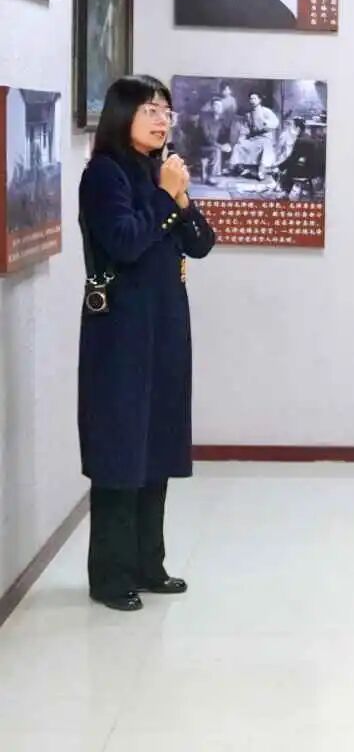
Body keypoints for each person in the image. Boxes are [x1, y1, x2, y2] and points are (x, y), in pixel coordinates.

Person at [78, 75, 217, 612]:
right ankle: (110, 577)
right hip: (120, 332)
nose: (162, 120)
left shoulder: (162, 171)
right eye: (149, 110)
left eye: (166, 111)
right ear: (123, 116)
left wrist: (178, 196)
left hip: (164, 328)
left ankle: (147, 564)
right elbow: (125, 243)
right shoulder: (104, 174)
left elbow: (201, 244)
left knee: (155, 443)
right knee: (119, 448)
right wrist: (165, 195)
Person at [229, 91, 280, 180]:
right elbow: (245, 129)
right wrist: (242, 138)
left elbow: (275, 122)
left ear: (259, 100)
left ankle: (262, 170)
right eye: (251, 99)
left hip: (265, 138)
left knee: (266, 146)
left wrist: (266, 124)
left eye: (254, 98)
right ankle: (240, 168)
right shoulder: (248, 114)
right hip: (254, 139)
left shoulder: (266, 111)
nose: (252, 100)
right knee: (238, 146)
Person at [276, 119, 326, 199]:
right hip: (319, 170)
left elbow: (293, 158)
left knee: (288, 170)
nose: (290, 129)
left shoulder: (301, 140)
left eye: (292, 127)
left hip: (310, 172)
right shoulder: (312, 139)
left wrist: (279, 167)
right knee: (293, 166)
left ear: (298, 128)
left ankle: (285, 192)